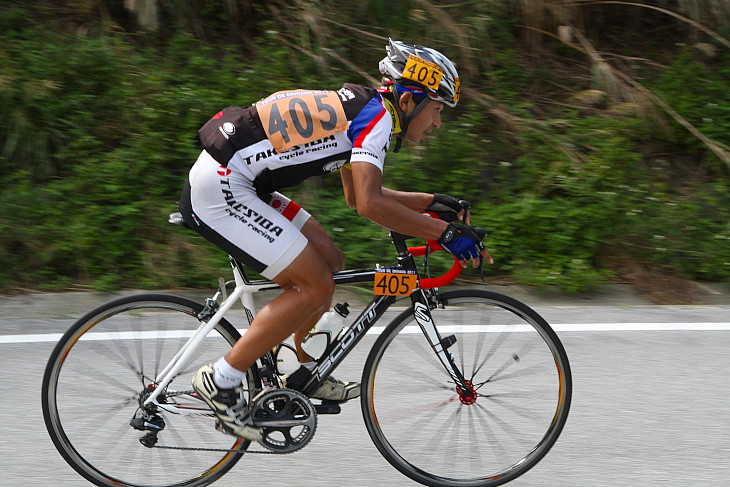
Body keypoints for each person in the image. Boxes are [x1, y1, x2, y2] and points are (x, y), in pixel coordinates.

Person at [181, 38, 493, 441]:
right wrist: (445, 233)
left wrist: (433, 203)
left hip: (243, 180)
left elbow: (356, 197)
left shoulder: (366, 110)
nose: (436, 124)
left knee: (329, 259)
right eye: (436, 111)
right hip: (224, 186)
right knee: (316, 285)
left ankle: (299, 369)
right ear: (411, 100)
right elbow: (368, 203)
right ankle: (221, 380)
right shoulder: (376, 118)